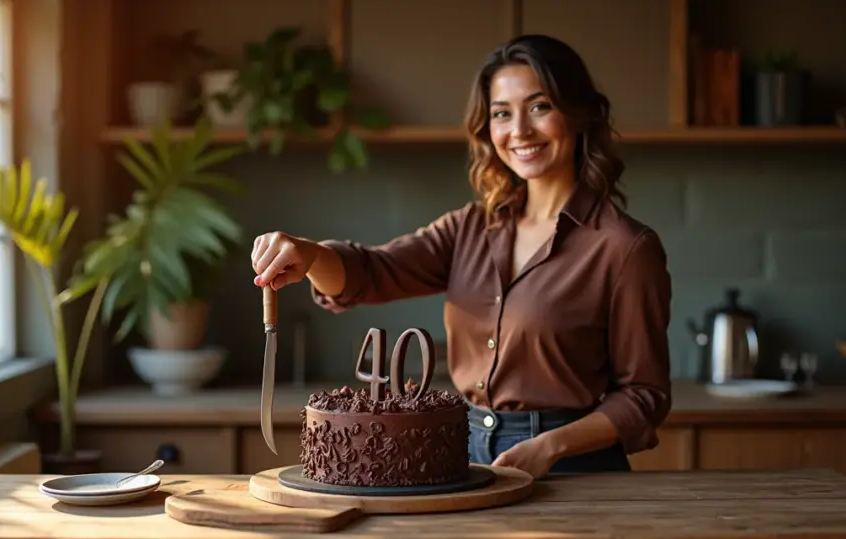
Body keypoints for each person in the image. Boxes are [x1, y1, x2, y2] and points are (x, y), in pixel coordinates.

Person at [250, 34, 672, 479]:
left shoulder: (625, 247)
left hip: (573, 467)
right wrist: (310, 254)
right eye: (501, 113)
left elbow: (644, 396)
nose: (520, 130)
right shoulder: (470, 227)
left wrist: (551, 446)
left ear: (579, 113)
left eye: (540, 107)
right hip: (462, 458)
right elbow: (373, 273)